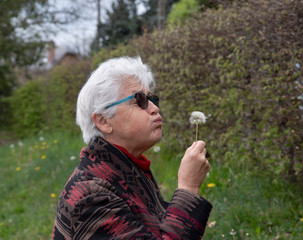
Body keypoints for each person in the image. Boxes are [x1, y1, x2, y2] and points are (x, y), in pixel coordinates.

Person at [52, 56, 212, 239]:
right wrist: (188, 188)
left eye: (152, 99)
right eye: (140, 100)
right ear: (103, 121)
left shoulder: (123, 170)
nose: (154, 108)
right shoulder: (90, 195)